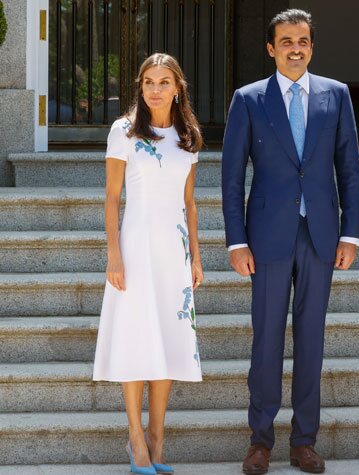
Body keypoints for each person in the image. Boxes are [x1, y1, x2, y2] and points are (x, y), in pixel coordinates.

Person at [221, 9, 359, 475]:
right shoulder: (248, 99)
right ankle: (260, 441)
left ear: (311, 46)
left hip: (321, 235)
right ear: (271, 48)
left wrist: (351, 231)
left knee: (312, 340)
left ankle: (304, 441)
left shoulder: (336, 95)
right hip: (266, 238)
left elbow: (349, 169)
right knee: (266, 340)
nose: (295, 48)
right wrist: (236, 242)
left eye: (302, 40)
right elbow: (230, 178)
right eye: (286, 41)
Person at [93, 53, 204, 475]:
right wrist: (114, 254)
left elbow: (189, 202)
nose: (155, 89)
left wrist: (195, 255)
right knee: (136, 338)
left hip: (173, 253)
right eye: (148, 82)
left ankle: (158, 436)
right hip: (135, 248)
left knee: (169, 339)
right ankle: (136, 439)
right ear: (140, 87)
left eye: (164, 81)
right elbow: (111, 196)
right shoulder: (123, 131)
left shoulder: (188, 134)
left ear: (178, 88)